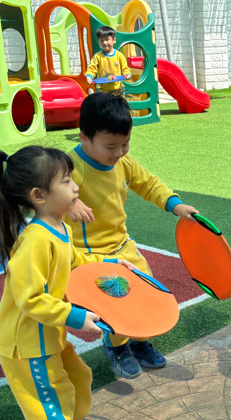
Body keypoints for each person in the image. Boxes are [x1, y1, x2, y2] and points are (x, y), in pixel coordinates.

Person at [0, 145, 130, 420]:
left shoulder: (58, 229)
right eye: (65, 181)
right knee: (48, 400)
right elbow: (30, 299)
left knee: (78, 377)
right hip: (26, 344)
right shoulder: (35, 241)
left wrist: (109, 264)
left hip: (47, 335)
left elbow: (76, 262)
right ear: (39, 195)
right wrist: (77, 317)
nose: (75, 186)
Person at [66, 93, 199, 378]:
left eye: (125, 144)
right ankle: (116, 347)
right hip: (90, 254)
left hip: (122, 246)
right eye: (110, 146)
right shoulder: (70, 167)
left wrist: (176, 205)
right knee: (117, 304)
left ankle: (139, 343)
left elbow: (149, 184)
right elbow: (46, 190)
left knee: (146, 293)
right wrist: (70, 201)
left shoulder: (123, 163)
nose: (119, 152)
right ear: (84, 138)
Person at [85, 26, 131, 94]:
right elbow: (92, 69)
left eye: (107, 40)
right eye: (101, 40)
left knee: (118, 101)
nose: (104, 43)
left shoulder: (119, 55)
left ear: (114, 40)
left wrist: (127, 74)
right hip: (104, 90)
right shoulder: (98, 56)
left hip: (118, 88)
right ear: (99, 41)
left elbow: (125, 69)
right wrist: (89, 76)